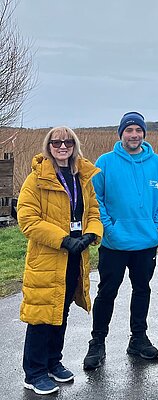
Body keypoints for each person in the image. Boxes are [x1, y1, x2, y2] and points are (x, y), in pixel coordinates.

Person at [83, 112, 158, 369]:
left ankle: (139, 338)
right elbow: (95, 198)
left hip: (146, 243)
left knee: (142, 289)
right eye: (129, 130)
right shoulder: (106, 162)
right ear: (121, 134)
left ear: (144, 134)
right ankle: (97, 342)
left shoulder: (155, 162)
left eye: (138, 130)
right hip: (114, 243)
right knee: (107, 292)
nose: (134, 135)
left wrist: (156, 225)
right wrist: (109, 229)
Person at [17, 127, 103, 395]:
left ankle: (53, 362)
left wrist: (91, 234)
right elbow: (28, 220)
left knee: (60, 312)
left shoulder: (82, 177)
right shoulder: (36, 179)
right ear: (49, 145)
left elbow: (93, 210)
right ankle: (34, 372)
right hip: (48, 258)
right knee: (42, 315)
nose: (62, 146)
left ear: (74, 145)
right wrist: (63, 239)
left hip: (74, 259)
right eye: (57, 142)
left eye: (68, 142)